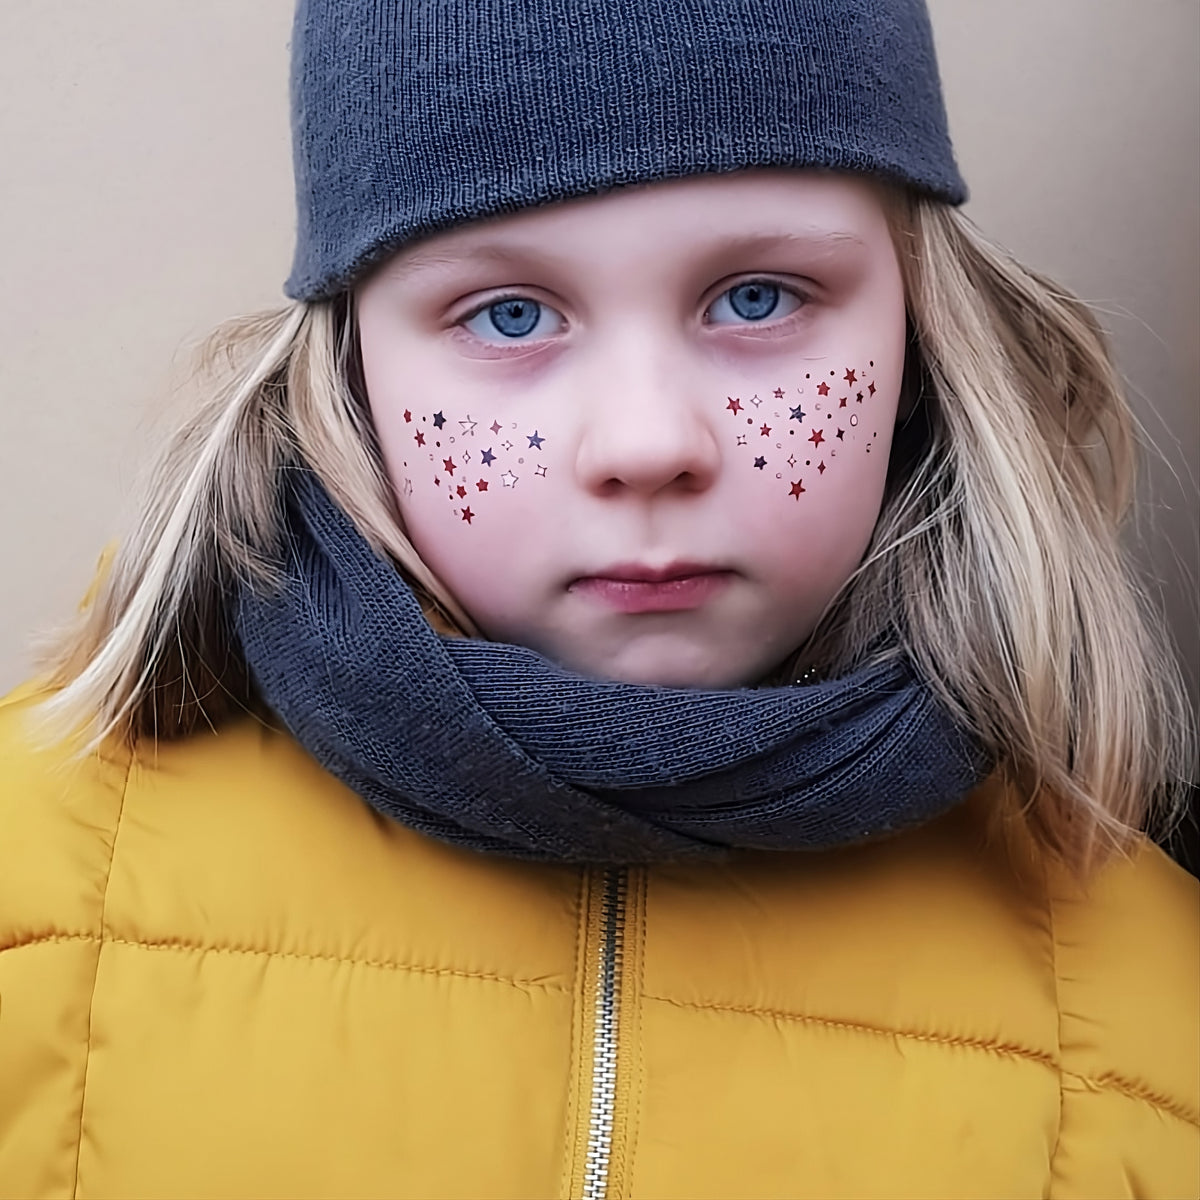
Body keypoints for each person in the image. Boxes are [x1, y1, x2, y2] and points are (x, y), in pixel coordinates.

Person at [2, 0, 1196, 1195]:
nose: (645, 443)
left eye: (759, 297)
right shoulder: (34, 900)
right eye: (508, 315)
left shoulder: (1147, 1028)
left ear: (922, 327)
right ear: (350, 362)